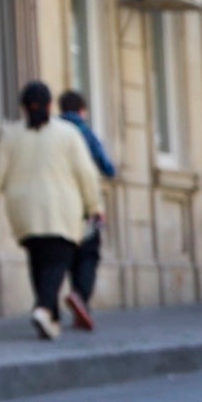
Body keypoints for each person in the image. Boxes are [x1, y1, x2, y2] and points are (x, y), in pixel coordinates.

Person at [0, 78, 109, 339]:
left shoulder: (11, 135)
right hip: (60, 209)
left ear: (23, 108)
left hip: (23, 210)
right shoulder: (68, 134)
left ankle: (50, 319)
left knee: (38, 259)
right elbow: (85, 173)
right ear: (50, 105)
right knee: (56, 262)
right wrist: (95, 205)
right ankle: (43, 307)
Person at [58, 83, 116, 326]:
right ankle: (80, 296)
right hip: (84, 202)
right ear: (82, 110)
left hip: (59, 202)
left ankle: (76, 301)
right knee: (89, 254)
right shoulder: (85, 133)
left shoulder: (53, 131)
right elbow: (107, 167)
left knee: (69, 253)